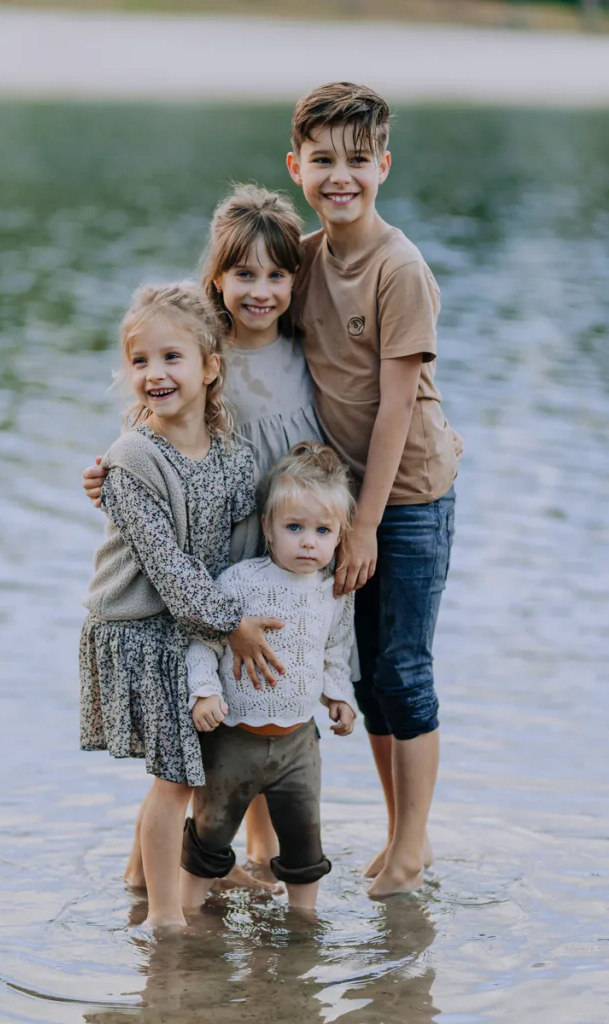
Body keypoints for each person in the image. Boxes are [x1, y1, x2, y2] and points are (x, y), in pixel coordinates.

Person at [83, 185, 328, 883]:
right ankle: (148, 883)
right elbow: (149, 437)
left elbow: (355, 407)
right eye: (242, 274)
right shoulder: (198, 350)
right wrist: (105, 476)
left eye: (276, 275)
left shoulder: (303, 349)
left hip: (278, 551)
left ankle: (252, 856)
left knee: (256, 706)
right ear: (215, 279)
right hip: (211, 564)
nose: (259, 290)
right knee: (199, 730)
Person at [286, 82, 460, 896]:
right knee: (364, 678)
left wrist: (364, 527)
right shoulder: (307, 256)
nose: (340, 176)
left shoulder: (400, 268)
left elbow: (394, 406)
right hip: (348, 502)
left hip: (411, 494)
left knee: (402, 667)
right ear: (297, 167)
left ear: (383, 165)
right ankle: (398, 836)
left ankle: (413, 845)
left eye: (358, 160)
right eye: (323, 160)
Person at [79, 281, 283, 930]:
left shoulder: (230, 454)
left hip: (190, 627)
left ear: (208, 368)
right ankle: (165, 923)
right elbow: (168, 569)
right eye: (140, 362)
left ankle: (138, 882)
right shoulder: (133, 457)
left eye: (172, 358)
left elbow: (241, 542)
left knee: (179, 773)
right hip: (138, 629)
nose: (155, 374)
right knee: (176, 779)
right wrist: (231, 626)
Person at [180, 442, 357, 914]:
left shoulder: (331, 591)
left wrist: (338, 695)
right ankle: (189, 914)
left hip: (299, 741)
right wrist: (205, 693)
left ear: (340, 536)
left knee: (303, 836)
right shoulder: (241, 582)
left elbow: (335, 646)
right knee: (211, 830)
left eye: (322, 531)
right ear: (268, 528)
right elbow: (205, 639)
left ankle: (305, 920)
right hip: (235, 736)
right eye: (294, 528)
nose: (307, 542)